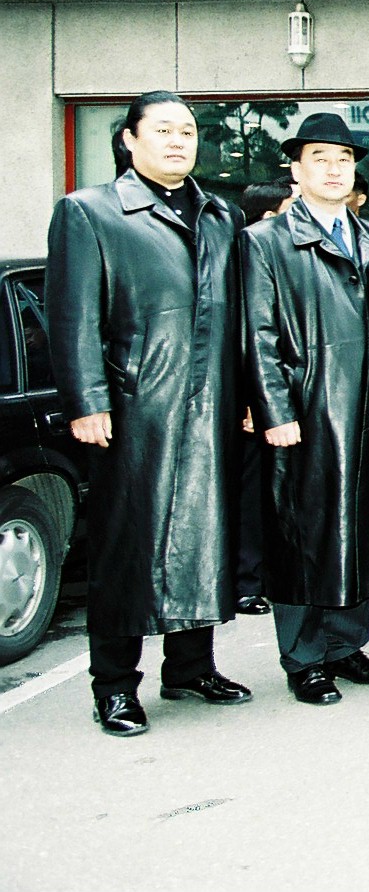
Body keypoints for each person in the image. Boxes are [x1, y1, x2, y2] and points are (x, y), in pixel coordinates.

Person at [47, 90, 253, 737]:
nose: (177, 141)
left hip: (210, 407)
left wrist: (247, 396)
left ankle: (191, 667)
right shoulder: (90, 212)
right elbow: (72, 316)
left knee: (202, 539)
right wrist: (87, 401)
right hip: (135, 409)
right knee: (125, 549)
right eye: (162, 130)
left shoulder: (220, 214)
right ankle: (114, 686)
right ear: (130, 140)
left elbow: (238, 315)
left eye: (187, 131)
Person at [242, 112, 369, 706]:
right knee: (301, 533)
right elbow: (257, 332)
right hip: (306, 408)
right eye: (320, 159)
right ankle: (304, 657)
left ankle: (345, 644)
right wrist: (274, 408)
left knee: (359, 525)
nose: (334, 170)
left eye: (343, 160)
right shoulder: (266, 241)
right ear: (296, 169)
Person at [231, 181, 295, 618]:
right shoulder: (248, 256)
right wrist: (253, 400)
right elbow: (249, 336)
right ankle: (247, 581)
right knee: (254, 495)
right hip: (257, 404)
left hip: (291, 398)